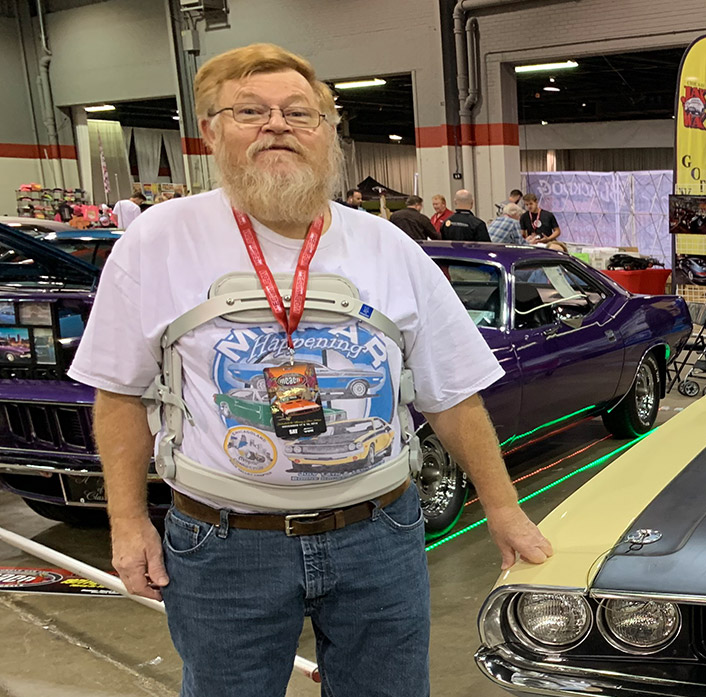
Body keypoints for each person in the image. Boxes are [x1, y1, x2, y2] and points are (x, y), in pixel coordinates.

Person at [65, 43, 549, 697]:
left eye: (299, 112)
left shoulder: (388, 247)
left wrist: (504, 507)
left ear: (328, 134)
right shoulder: (156, 241)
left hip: (380, 533)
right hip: (224, 543)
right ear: (211, 131)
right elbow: (118, 392)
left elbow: (453, 394)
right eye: (250, 111)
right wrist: (126, 522)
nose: (277, 125)